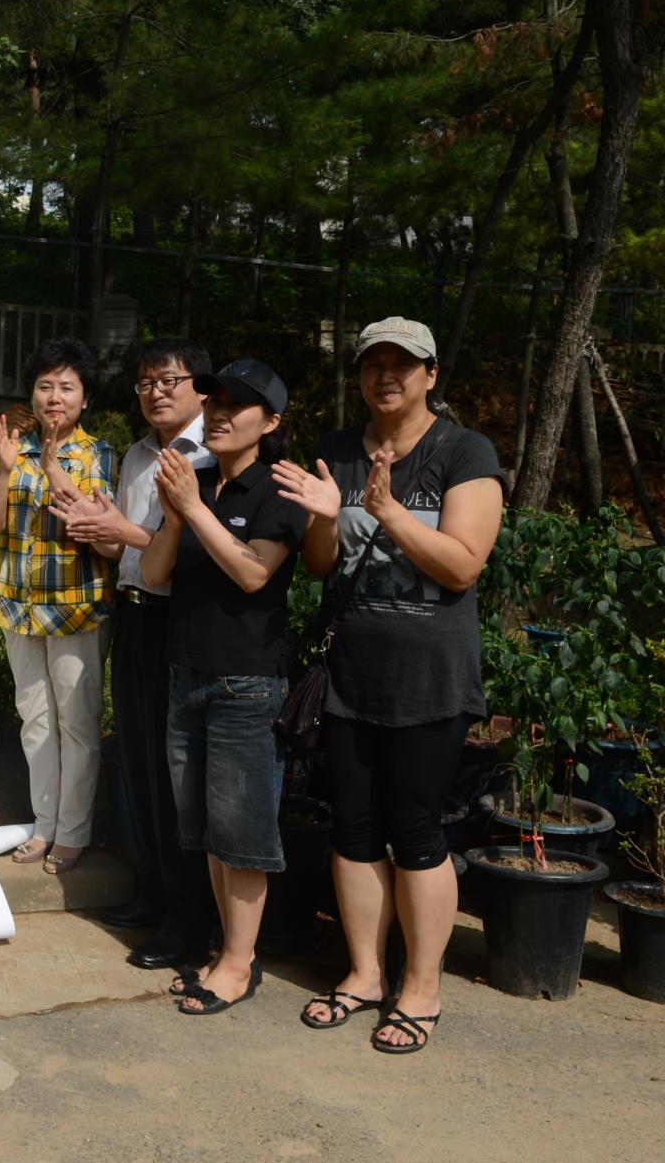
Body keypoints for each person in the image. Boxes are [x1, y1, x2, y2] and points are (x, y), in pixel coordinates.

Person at [273, 318, 503, 1054]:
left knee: (417, 830)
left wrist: (392, 511)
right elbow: (319, 566)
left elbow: (464, 564)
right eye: (373, 364)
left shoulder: (464, 452)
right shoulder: (339, 448)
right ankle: (366, 972)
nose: (385, 376)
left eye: (402, 365)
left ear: (432, 374)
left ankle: (422, 987)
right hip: (349, 675)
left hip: (429, 679)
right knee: (353, 828)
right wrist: (318, 517)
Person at [140, 359, 304, 1014]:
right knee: (208, 829)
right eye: (215, 401)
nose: (220, 412)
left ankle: (240, 962)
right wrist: (178, 515)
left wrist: (192, 509)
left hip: (246, 683)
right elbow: (153, 573)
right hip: (187, 674)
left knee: (242, 834)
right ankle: (224, 947)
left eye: (240, 405)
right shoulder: (193, 481)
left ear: (271, 422)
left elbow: (252, 574)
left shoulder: (279, 489)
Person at [53, 338, 221, 964]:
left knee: (180, 776)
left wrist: (125, 531)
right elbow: (124, 549)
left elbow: (194, 550)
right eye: (146, 382)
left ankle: (189, 919)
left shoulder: (212, 453)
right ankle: (155, 893)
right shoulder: (135, 454)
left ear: (200, 387)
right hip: (135, 616)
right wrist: (96, 523)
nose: (155, 391)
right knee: (145, 764)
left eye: (169, 380)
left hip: (184, 623)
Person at [0, 337, 117, 876]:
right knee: (34, 720)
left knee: (79, 724)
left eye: (66, 387)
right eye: (44, 386)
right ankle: (44, 824)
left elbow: (101, 534)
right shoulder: (12, 449)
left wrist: (57, 468)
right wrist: (6, 469)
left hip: (76, 608)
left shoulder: (99, 453)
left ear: (84, 400)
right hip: (18, 605)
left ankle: (74, 831)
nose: (54, 397)